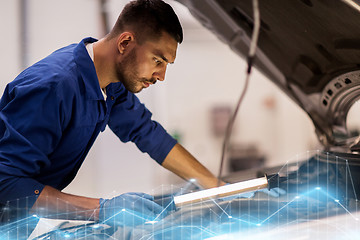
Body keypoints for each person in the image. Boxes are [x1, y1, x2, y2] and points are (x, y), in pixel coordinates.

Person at [0, 0, 223, 226]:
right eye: (157, 60)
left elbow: (147, 132)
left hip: (18, 223)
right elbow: (6, 184)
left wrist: (217, 187)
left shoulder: (110, 84)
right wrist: (103, 209)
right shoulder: (53, 88)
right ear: (125, 42)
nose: (161, 75)